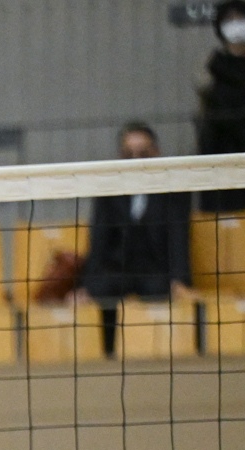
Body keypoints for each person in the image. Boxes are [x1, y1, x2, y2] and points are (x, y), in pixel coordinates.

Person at [83, 122, 193, 356]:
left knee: (161, 290)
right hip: (117, 269)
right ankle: (108, 355)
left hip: (155, 270)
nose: (136, 160)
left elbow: (178, 236)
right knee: (100, 289)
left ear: (156, 153)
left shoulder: (173, 190)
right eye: (129, 154)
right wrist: (85, 285)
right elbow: (98, 240)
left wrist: (180, 279)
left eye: (143, 153)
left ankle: (161, 353)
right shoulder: (108, 190)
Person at [199, 2, 245, 212]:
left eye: (240, 19)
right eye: (229, 20)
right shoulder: (210, 66)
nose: (236, 24)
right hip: (220, 148)